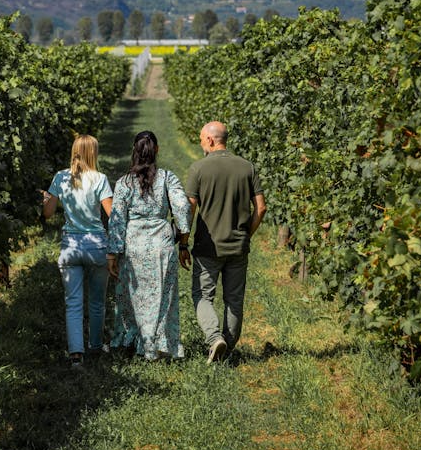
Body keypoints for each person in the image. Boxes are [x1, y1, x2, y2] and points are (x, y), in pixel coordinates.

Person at [180, 121, 266, 364]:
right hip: (238, 246)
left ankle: (214, 337)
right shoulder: (247, 167)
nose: (200, 143)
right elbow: (261, 208)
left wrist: (183, 243)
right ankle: (226, 351)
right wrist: (246, 234)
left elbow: (190, 208)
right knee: (234, 299)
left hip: (208, 246)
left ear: (210, 140)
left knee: (202, 295)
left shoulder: (199, 169)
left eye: (200, 139)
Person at [107, 130, 192, 361]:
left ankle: (131, 341)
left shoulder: (124, 183)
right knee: (163, 296)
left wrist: (113, 254)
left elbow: (117, 219)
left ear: (134, 151)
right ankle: (160, 344)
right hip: (161, 244)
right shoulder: (167, 178)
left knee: (132, 295)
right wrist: (183, 238)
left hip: (133, 243)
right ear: (157, 151)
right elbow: (183, 207)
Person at [41, 134, 113, 369]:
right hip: (96, 245)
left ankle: (75, 355)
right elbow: (112, 214)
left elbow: (48, 213)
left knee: (73, 303)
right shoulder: (100, 179)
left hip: (71, 245)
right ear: (94, 152)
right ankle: (95, 345)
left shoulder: (61, 178)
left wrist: (46, 199)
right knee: (97, 302)